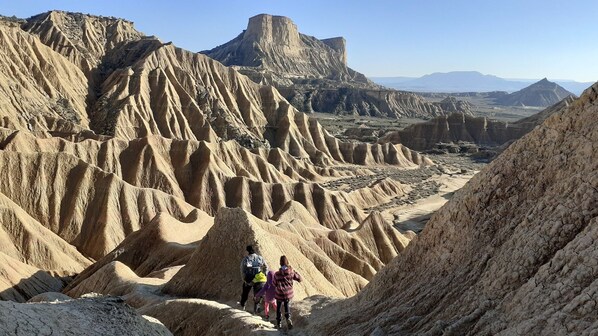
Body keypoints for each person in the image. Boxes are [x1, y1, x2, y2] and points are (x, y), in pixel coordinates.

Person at [272, 255, 302, 329]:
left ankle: (279, 324)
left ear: (280, 263)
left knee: (278, 308)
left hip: (279, 294)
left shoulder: (277, 274)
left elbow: (274, 284)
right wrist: (295, 272)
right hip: (288, 294)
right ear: (287, 262)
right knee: (286, 305)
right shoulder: (291, 271)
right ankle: (288, 318)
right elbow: (299, 279)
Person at [239, 245, 267, 311]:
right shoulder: (260, 258)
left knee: (245, 293)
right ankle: (256, 309)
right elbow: (266, 266)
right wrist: (264, 274)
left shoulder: (246, 259)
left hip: (249, 278)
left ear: (248, 251)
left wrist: (244, 278)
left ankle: (243, 306)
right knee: (257, 294)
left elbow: (242, 269)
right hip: (258, 278)